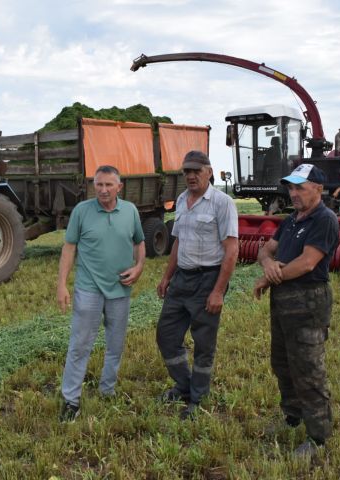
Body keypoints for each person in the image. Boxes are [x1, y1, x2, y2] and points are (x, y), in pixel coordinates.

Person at [253, 163, 339, 457]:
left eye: (300, 187)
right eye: (290, 187)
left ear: (318, 189)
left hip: (308, 300)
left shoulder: (324, 220)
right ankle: (292, 418)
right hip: (282, 300)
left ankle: (318, 437)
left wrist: (268, 276)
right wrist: (268, 264)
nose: (293, 193)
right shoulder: (291, 220)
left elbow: (307, 263)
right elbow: (266, 249)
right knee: (282, 363)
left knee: (308, 369)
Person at [57, 165, 146, 422]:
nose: (103, 190)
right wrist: (62, 284)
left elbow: (139, 242)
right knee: (80, 345)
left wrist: (139, 266)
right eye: (99, 184)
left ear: (120, 187)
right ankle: (71, 400)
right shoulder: (82, 211)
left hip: (121, 289)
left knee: (115, 345)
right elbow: (69, 248)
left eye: (109, 185)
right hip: (89, 289)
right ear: (93, 186)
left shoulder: (130, 211)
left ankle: (107, 390)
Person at [156, 151, 239, 419]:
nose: (191, 176)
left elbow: (232, 249)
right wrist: (167, 277)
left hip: (207, 279)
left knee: (203, 342)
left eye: (196, 171)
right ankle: (184, 385)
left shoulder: (222, 203)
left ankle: (198, 397)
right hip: (182, 278)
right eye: (186, 172)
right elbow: (178, 241)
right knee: (166, 335)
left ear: (209, 171)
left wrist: (217, 291)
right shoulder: (181, 200)